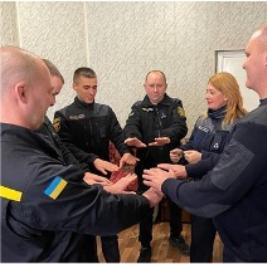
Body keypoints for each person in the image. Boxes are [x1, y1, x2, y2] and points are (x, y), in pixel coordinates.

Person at [143, 22, 267, 262]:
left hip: (256, 254)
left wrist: (166, 183)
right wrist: (186, 168)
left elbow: (212, 194)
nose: (244, 63)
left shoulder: (258, 125)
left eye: (248, 54)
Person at [0, 46, 163, 262]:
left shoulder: (34, 169)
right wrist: (147, 200)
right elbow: (94, 210)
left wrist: (93, 186)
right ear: (22, 92)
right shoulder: (42, 179)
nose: (52, 101)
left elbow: (55, 192)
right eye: (49, 92)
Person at [54, 67, 137, 262]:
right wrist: (91, 160)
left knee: (109, 228)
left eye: (95, 87)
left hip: (106, 176)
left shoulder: (105, 111)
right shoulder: (63, 115)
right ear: (75, 86)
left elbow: (118, 134)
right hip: (80, 177)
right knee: (85, 232)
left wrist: (125, 152)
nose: (91, 92)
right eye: (86, 87)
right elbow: (65, 148)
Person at [169, 72, 246, 262]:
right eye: (206, 91)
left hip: (230, 196)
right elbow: (191, 145)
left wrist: (201, 157)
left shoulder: (242, 124)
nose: (206, 96)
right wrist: (180, 151)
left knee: (234, 248)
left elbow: (236, 162)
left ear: (227, 94)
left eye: (211, 92)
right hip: (202, 192)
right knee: (200, 247)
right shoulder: (202, 120)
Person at [123, 70, 189, 262]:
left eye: (159, 85)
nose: (155, 90)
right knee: (146, 206)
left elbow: (181, 126)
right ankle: (145, 244)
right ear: (145, 87)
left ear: (165, 86)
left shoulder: (175, 104)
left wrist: (168, 136)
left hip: (171, 165)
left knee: (175, 203)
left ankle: (176, 236)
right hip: (147, 166)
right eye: (151, 86)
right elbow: (130, 126)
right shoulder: (138, 107)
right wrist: (133, 137)